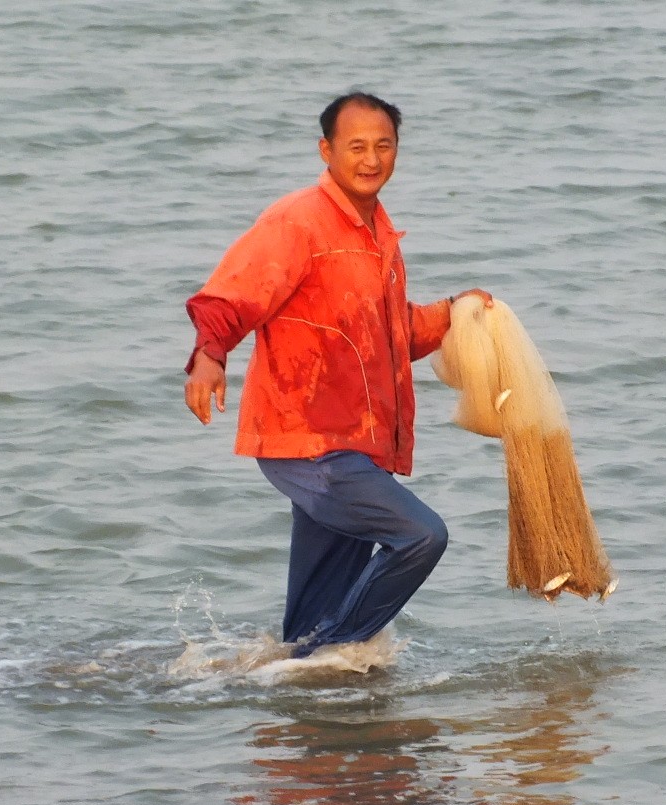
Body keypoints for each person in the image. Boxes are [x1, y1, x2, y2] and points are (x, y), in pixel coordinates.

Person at [183, 91, 493, 657]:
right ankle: (329, 659)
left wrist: (454, 313)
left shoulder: (379, 236)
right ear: (326, 150)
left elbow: (393, 336)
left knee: (307, 621)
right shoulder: (297, 222)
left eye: (383, 145)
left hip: (357, 444)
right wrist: (209, 356)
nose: (371, 159)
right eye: (356, 146)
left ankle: (299, 693)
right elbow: (232, 296)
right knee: (422, 537)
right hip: (310, 443)